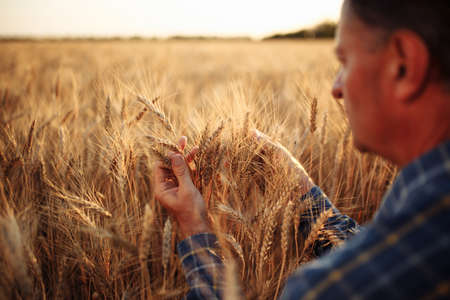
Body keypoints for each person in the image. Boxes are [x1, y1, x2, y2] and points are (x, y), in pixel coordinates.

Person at [152, 0, 450, 299]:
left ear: (404, 64)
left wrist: (194, 228)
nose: (336, 88)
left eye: (345, 61)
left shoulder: (323, 290)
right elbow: (384, 259)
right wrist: (302, 191)